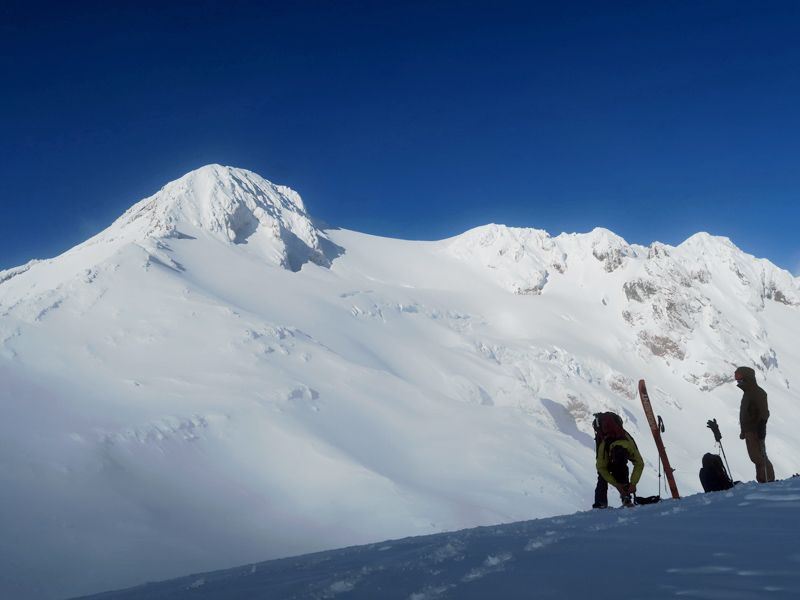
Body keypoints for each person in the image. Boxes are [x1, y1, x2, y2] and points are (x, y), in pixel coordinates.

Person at [592, 412, 644, 507]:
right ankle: (604, 502)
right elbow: (601, 467)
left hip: (618, 457)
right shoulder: (604, 447)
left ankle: (601, 503)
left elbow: (639, 463)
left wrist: (633, 483)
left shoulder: (630, 445)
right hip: (606, 455)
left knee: (621, 469)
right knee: (603, 475)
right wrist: (616, 484)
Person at [735, 366, 775, 483]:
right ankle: (763, 480)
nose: (737, 379)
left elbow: (764, 412)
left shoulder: (757, 393)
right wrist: (744, 431)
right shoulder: (748, 393)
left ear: (746, 377)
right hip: (750, 431)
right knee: (755, 457)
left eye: (739, 376)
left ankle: (768, 480)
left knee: (759, 457)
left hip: (755, 430)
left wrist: (761, 427)